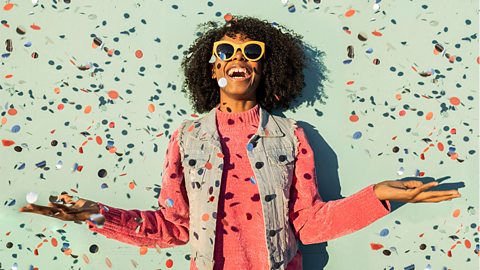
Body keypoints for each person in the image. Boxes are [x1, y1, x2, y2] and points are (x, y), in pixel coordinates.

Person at [19, 16, 461, 270]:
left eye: (251, 53)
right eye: (226, 53)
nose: (238, 60)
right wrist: (97, 214)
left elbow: (307, 224)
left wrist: (378, 196)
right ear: (212, 70)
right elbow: (174, 227)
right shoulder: (188, 138)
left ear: (263, 70)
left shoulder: (291, 136)